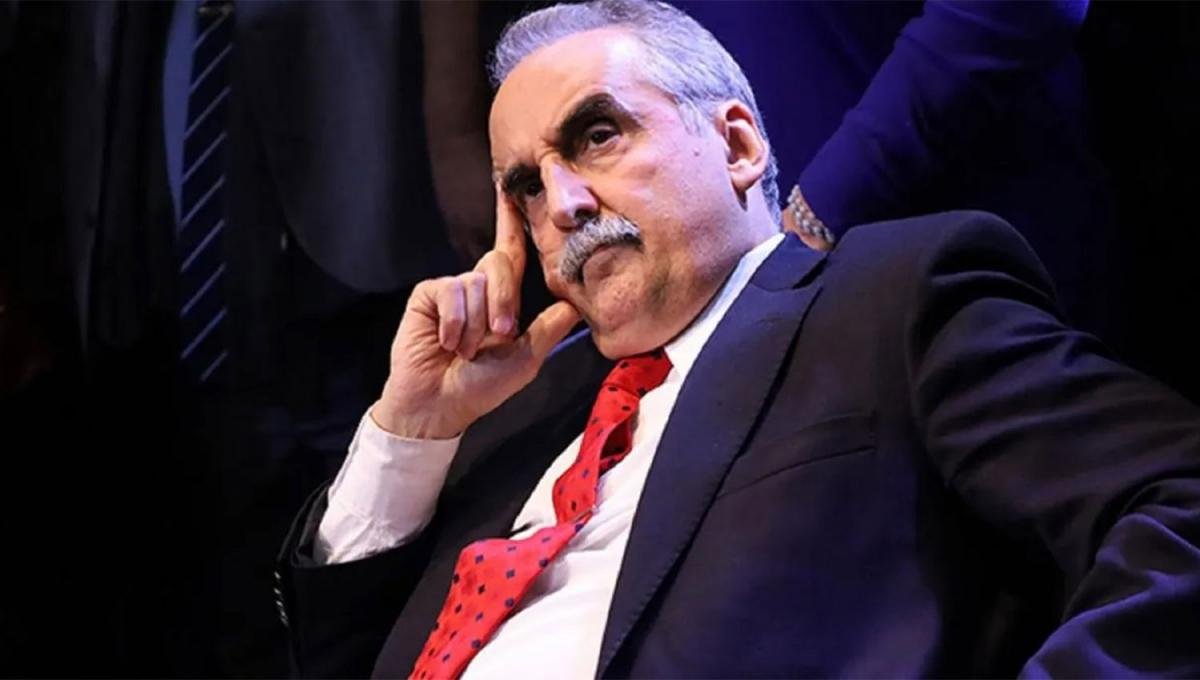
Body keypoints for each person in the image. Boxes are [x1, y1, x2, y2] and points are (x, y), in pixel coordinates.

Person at [277, 1, 1200, 677]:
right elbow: (340, 660)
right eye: (525, 184)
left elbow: (1178, 505)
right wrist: (409, 434)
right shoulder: (513, 414)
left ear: (738, 145)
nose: (562, 204)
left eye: (596, 136)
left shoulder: (887, 304)